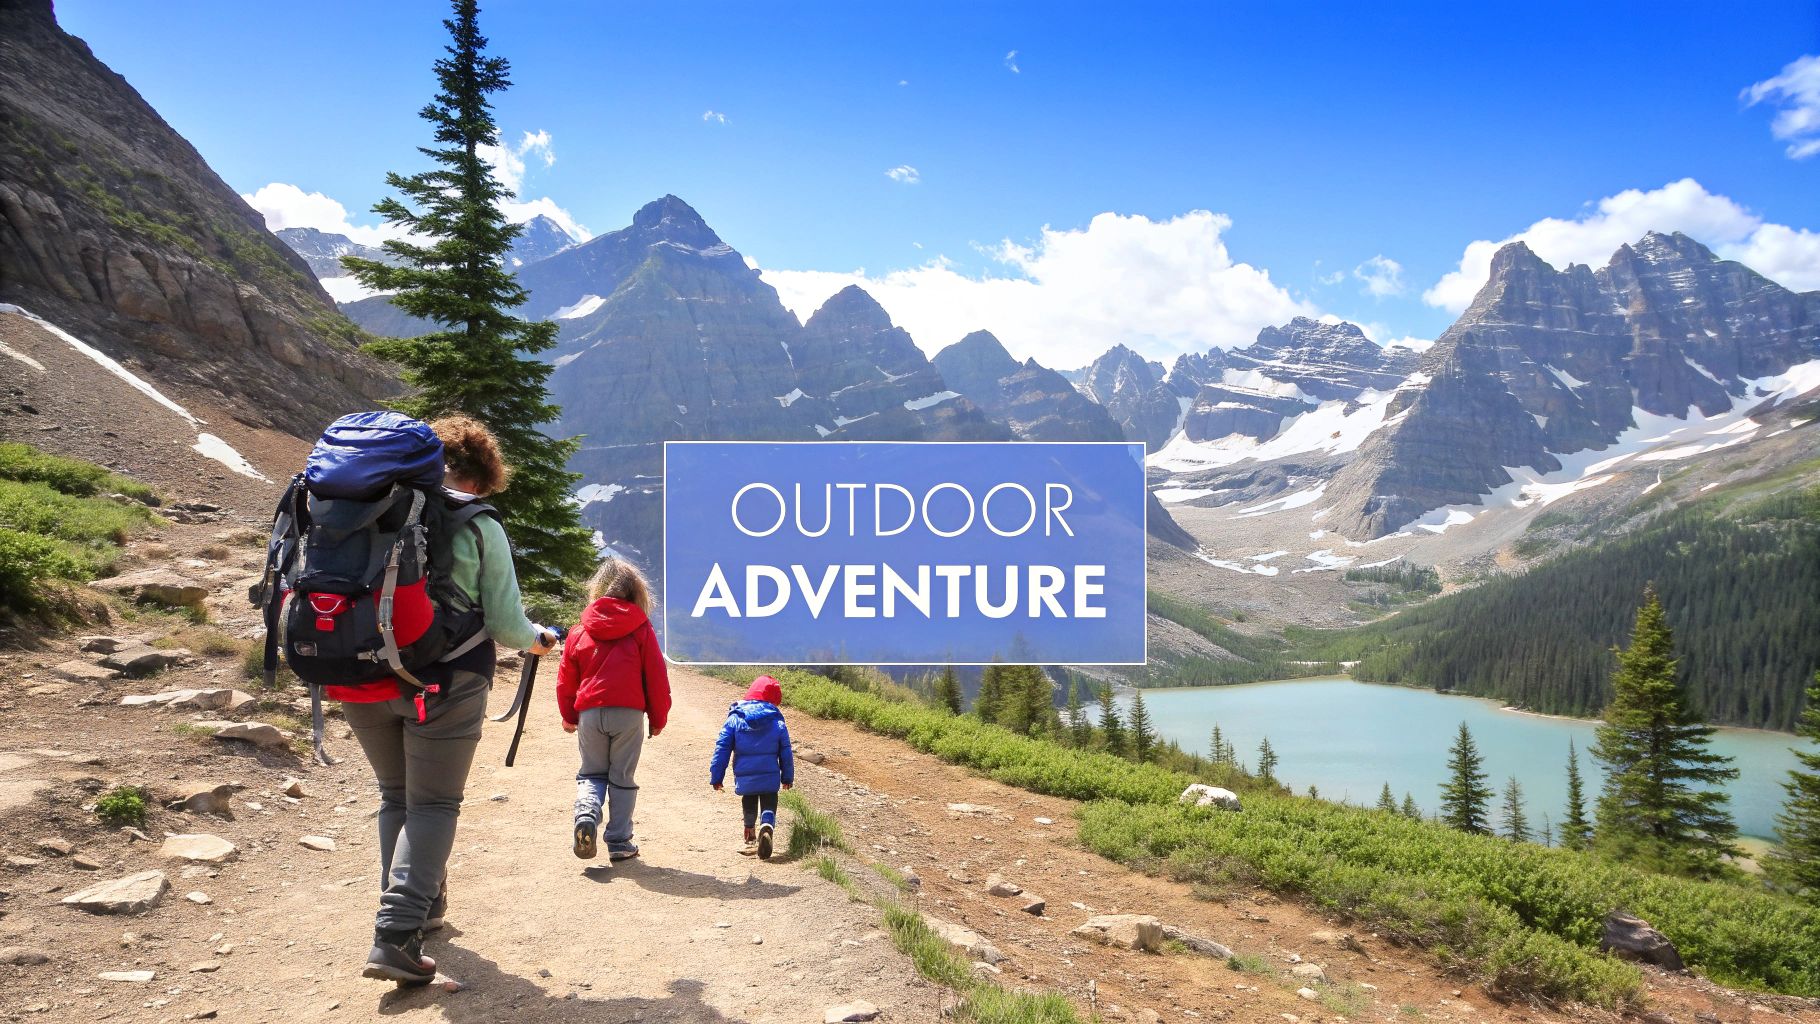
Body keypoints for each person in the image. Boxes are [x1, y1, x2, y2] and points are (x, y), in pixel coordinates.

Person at [343, 415, 557, 984]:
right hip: (444, 681)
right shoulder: (475, 522)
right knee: (434, 804)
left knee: (396, 795)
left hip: (358, 676)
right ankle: (395, 936)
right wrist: (541, 640)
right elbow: (510, 626)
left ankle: (424, 910)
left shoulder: (370, 506)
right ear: (481, 476)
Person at [556, 556, 672, 862]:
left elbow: (566, 680)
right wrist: (658, 718)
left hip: (590, 713)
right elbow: (656, 678)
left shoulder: (579, 630)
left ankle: (586, 816)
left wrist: (569, 717)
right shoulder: (641, 629)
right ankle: (620, 842)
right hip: (629, 714)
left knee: (592, 773)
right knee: (622, 776)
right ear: (635, 594)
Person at [709, 675, 796, 859]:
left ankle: (750, 835)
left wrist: (717, 777)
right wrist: (787, 777)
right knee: (769, 802)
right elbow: (786, 752)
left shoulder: (735, 719)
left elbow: (722, 748)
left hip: (745, 777)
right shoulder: (777, 722)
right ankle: (767, 825)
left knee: (748, 801)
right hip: (770, 777)